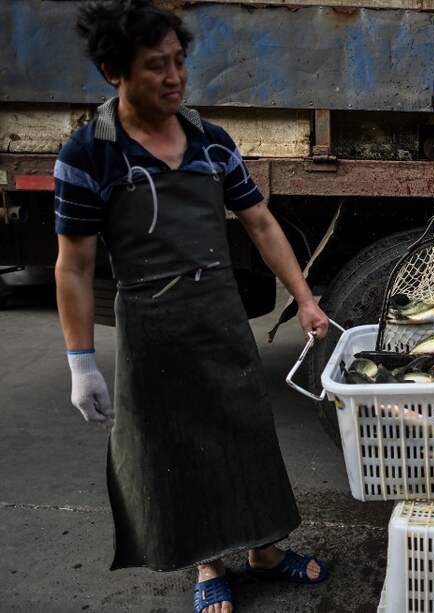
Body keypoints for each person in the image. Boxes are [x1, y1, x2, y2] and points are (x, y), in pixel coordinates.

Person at [55, 2, 331, 611]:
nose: (175, 77)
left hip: (220, 316)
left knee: (245, 436)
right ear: (114, 72)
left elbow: (258, 221)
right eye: (156, 66)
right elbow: (72, 266)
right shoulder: (88, 155)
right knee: (182, 446)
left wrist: (306, 299)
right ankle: (210, 567)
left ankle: (262, 550)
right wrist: (81, 361)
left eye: (179, 62)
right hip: (153, 329)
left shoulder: (210, 141)